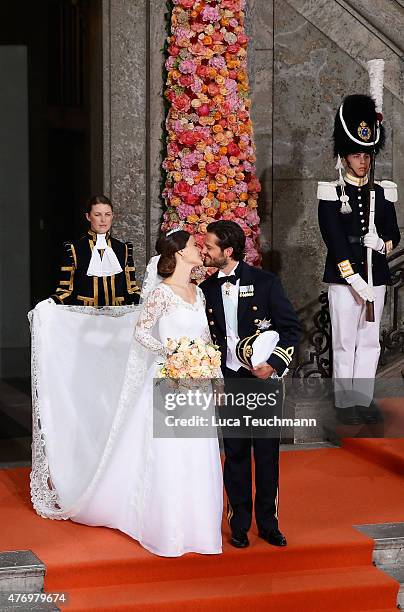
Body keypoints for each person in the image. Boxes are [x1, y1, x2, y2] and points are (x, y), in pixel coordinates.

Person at [30, 229, 223, 557]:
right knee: (170, 453)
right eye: (193, 245)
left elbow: (204, 337)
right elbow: (142, 333)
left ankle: (198, 527)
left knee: (197, 451)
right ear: (178, 253)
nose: (199, 248)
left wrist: (214, 374)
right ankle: (167, 526)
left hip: (196, 382)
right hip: (167, 378)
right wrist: (170, 353)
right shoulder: (162, 293)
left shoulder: (196, 291)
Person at [200, 220, 300, 549]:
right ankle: (239, 522)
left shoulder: (265, 282)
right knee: (237, 453)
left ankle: (269, 523)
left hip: (264, 380)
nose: (206, 251)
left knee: (267, 454)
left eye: (211, 246)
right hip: (230, 381)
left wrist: (273, 365)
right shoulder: (207, 289)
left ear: (228, 251)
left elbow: (289, 329)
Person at [318, 94, 400, 425]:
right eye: (356, 155)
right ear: (344, 157)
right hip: (345, 278)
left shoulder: (382, 192)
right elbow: (333, 237)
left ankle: (362, 399)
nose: (363, 162)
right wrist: (352, 277)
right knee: (344, 341)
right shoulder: (331, 192)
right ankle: (344, 401)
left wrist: (381, 243)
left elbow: (395, 233)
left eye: (367, 155)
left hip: (376, 274)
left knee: (369, 340)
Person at [51, 194, 140, 306]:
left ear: (112, 216)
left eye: (107, 214)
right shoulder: (74, 249)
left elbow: (130, 289)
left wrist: (147, 301)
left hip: (117, 319)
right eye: (97, 215)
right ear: (88, 217)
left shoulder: (123, 249)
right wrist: (50, 303)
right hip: (85, 318)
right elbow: (66, 291)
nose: (103, 220)